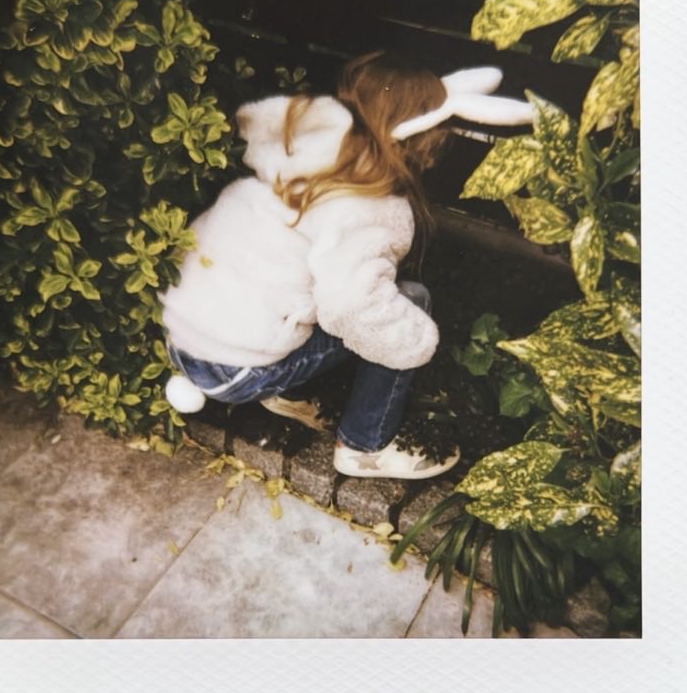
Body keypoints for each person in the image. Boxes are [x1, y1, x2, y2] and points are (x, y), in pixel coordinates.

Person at [161, 51, 532, 479]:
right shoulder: (366, 208)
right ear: (422, 144)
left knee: (318, 282)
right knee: (409, 304)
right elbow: (353, 308)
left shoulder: (298, 157)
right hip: (235, 367)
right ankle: (364, 445)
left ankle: (281, 389)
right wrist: (415, 344)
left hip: (184, 338)